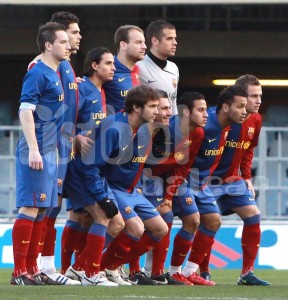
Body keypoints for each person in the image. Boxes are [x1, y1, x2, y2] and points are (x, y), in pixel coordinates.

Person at [64, 85, 167, 285]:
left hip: (99, 178)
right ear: (137, 107)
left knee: (134, 225)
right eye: (153, 106)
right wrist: (103, 197)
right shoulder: (114, 128)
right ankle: (91, 273)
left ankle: (81, 270)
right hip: (82, 175)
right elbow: (91, 167)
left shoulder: (134, 128)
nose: (157, 111)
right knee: (107, 218)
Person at [11, 22, 71, 285]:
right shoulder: (38, 72)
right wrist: (34, 149)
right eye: (63, 42)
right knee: (30, 207)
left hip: (50, 149)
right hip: (34, 149)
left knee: (44, 210)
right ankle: (19, 272)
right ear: (48, 45)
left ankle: (32, 268)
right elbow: (25, 109)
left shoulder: (54, 72)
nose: (68, 46)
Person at [28, 11, 82, 285]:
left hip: (65, 144)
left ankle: (46, 266)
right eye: (73, 33)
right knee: (47, 206)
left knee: (54, 206)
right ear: (56, 38)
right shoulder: (48, 65)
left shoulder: (68, 66)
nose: (78, 37)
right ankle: (41, 266)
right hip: (53, 143)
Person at [204, 75, 270, 286]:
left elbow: (248, 150)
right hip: (208, 180)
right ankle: (203, 271)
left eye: (260, 95)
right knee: (209, 221)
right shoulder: (220, 118)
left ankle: (247, 273)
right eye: (253, 96)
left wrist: (247, 177)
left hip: (233, 180)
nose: (258, 101)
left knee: (253, 215)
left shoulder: (256, 119)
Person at [179, 85, 248, 285]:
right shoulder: (204, 128)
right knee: (179, 221)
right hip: (183, 182)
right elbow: (184, 157)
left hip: (202, 185)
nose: (245, 111)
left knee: (213, 221)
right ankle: (158, 271)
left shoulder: (227, 127)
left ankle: (190, 271)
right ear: (225, 107)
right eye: (240, 106)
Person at [140, 91, 208, 285]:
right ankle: (144, 270)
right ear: (186, 112)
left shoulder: (198, 133)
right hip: (148, 177)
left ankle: (176, 272)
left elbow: (184, 165)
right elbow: (143, 161)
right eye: (201, 110)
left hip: (173, 178)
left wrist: (169, 195)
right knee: (163, 218)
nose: (206, 114)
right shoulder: (162, 128)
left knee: (194, 219)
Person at [137, 20, 179, 115]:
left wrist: (175, 124)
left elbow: (173, 101)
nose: (175, 42)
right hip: (147, 126)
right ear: (155, 41)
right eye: (169, 39)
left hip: (167, 126)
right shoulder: (138, 66)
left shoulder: (173, 68)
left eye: (175, 38)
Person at [104, 24, 146, 114]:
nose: (144, 46)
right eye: (139, 42)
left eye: (144, 42)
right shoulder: (107, 69)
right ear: (123, 45)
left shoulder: (137, 69)